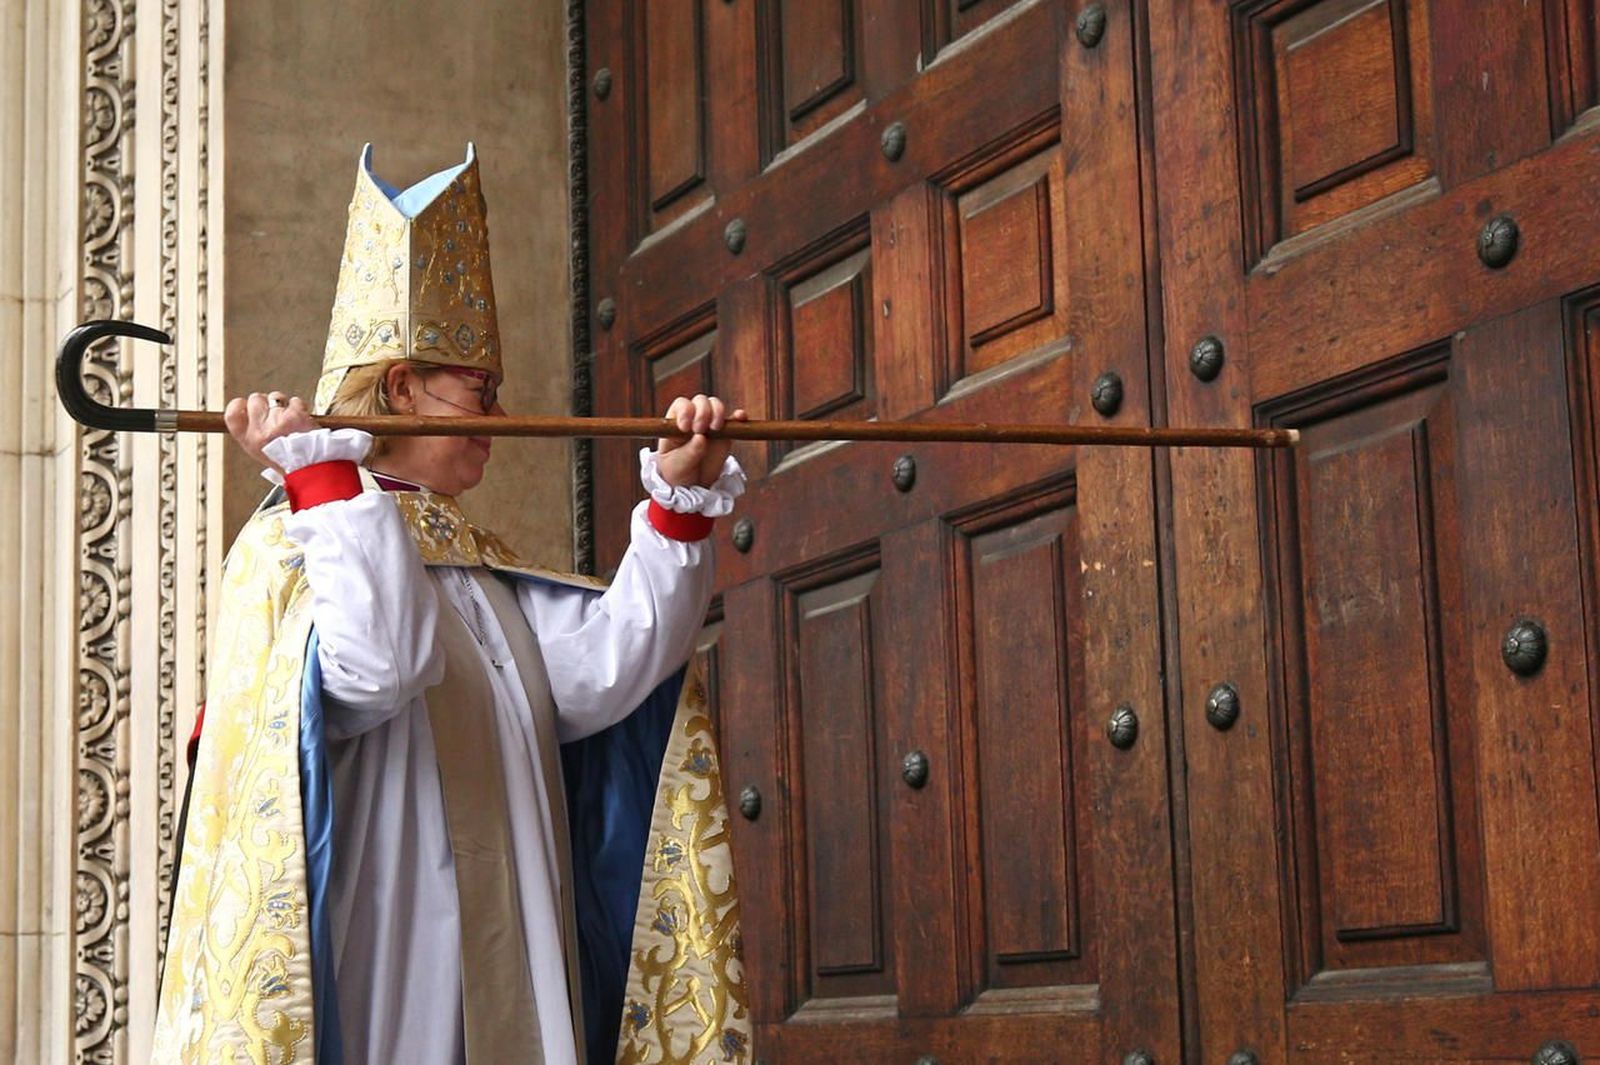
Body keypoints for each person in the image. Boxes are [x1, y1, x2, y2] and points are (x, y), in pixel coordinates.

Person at [154, 144, 752, 1064]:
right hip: (390, 953)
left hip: (510, 947)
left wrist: (676, 506)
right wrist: (323, 477)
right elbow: (380, 664)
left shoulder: (467, 564)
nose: (502, 422)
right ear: (402, 387)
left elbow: (606, 671)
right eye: (480, 390)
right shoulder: (297, 543)